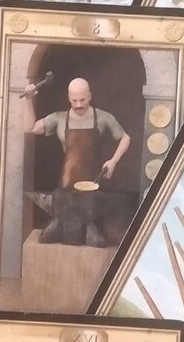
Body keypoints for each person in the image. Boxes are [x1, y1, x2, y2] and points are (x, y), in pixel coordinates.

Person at [22, 77, 131, 245]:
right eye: (74, 100)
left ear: (90, 96)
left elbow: (125, 138)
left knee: (97, 239)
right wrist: (28, 100)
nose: (79, 105)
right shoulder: (59, 119)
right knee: (51, 235)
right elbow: (29, 128)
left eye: (82, 99)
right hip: (66, 189)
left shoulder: (103, 118)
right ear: (68, 98)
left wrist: (114, 161)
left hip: (94, 187)